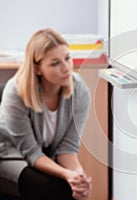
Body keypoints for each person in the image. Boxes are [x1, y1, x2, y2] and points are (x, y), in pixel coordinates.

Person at [0, 28, 92, 200]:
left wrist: (79, 178)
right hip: (9, 155)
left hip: (43, 155)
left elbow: (67, 148)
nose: (66, 68)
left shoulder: (79, 90)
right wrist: (67, 174)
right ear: (37, 68)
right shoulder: (16, 92)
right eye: (55, 63)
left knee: (71, 188)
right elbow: (31, 152)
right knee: (45, 187)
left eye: (67, 58)